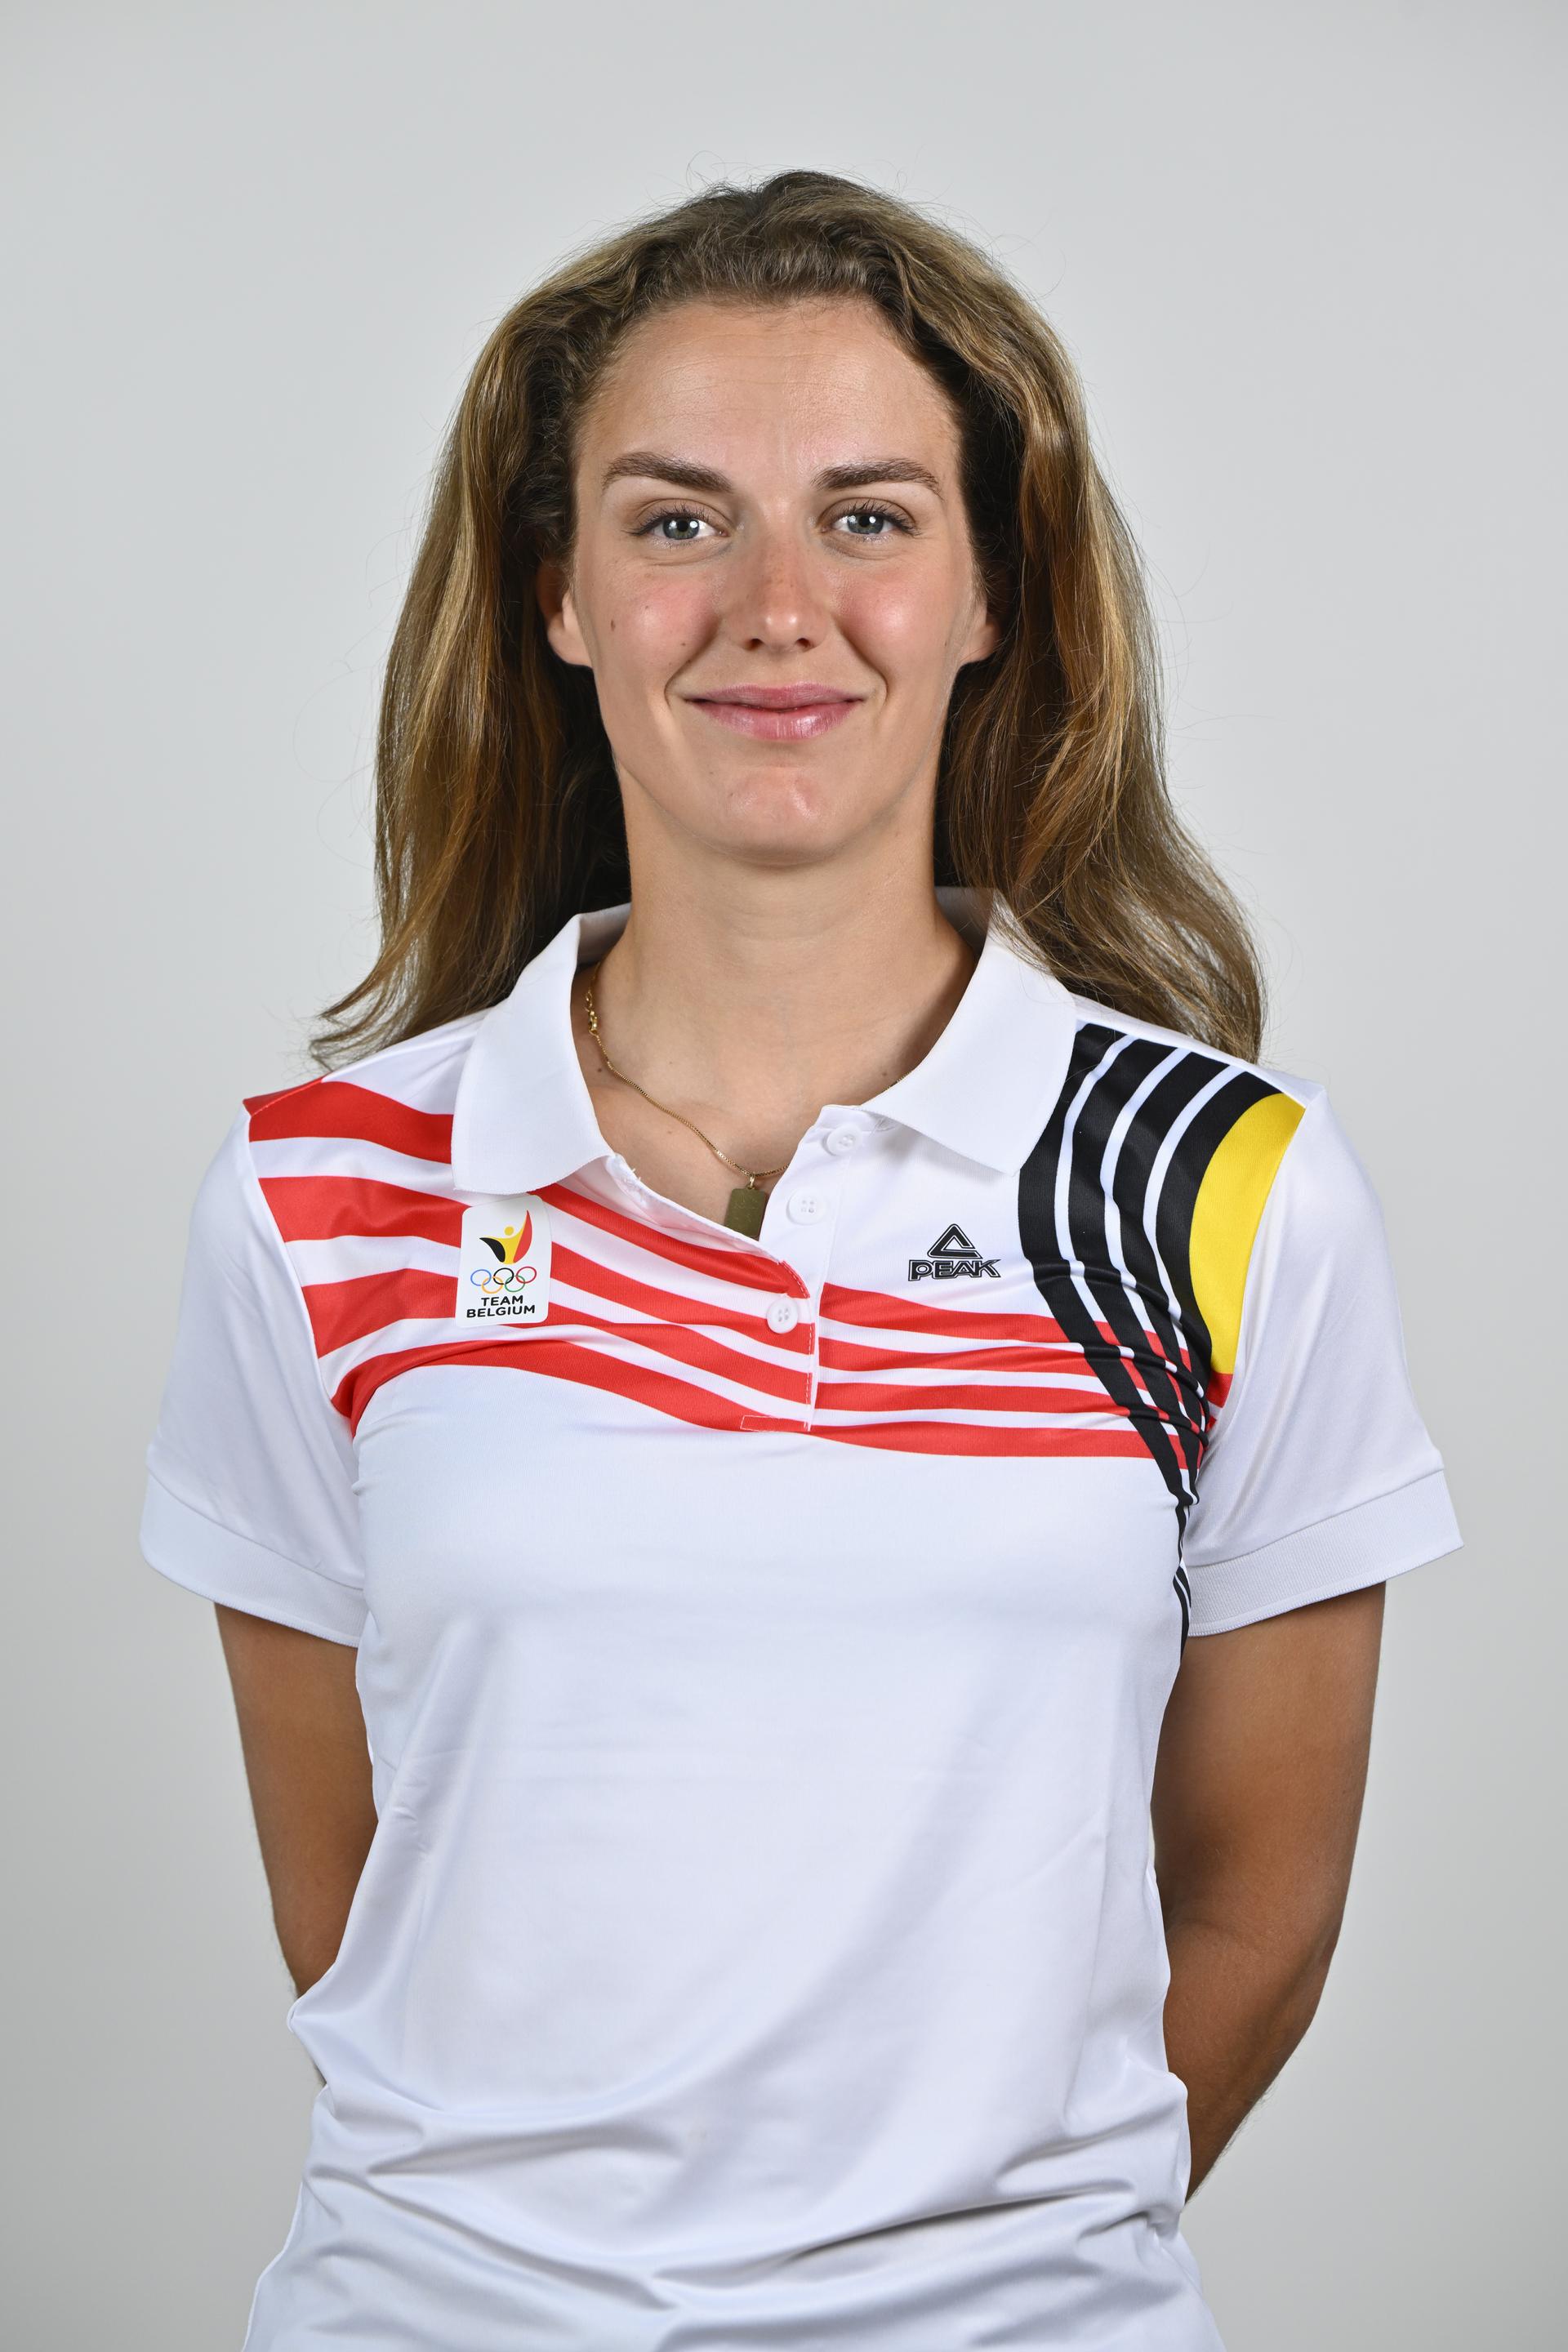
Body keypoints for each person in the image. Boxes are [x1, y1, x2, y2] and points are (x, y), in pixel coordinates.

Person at [138, 169, 1463, 2350]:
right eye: (676, 521)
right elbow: (365, 1900)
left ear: (989, 595)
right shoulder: (320, 1196)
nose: (776, 604)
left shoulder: (1226, 1192)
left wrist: (969, 2267)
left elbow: (1262, 1902)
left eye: (868, 518)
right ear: (558, 594)